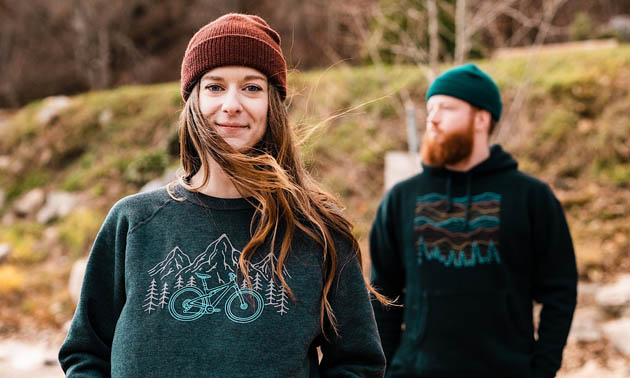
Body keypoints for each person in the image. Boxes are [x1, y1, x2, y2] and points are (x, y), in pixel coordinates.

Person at [59, 13, 386, 378]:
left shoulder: (318, 230)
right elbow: (86, 352)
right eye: (215, 87)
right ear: (193, 101)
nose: (231, 104)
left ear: (273, 105)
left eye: (251, 87)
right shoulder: (133, 222)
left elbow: (358, 363)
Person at [370, 64, 577, 378]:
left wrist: (542, 369)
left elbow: (560, 292)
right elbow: (382, 295)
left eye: (447, 108)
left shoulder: (531, 198)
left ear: (481, 119)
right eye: (430, 109)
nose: (433, 119)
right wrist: (387, 369)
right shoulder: (400, 200)